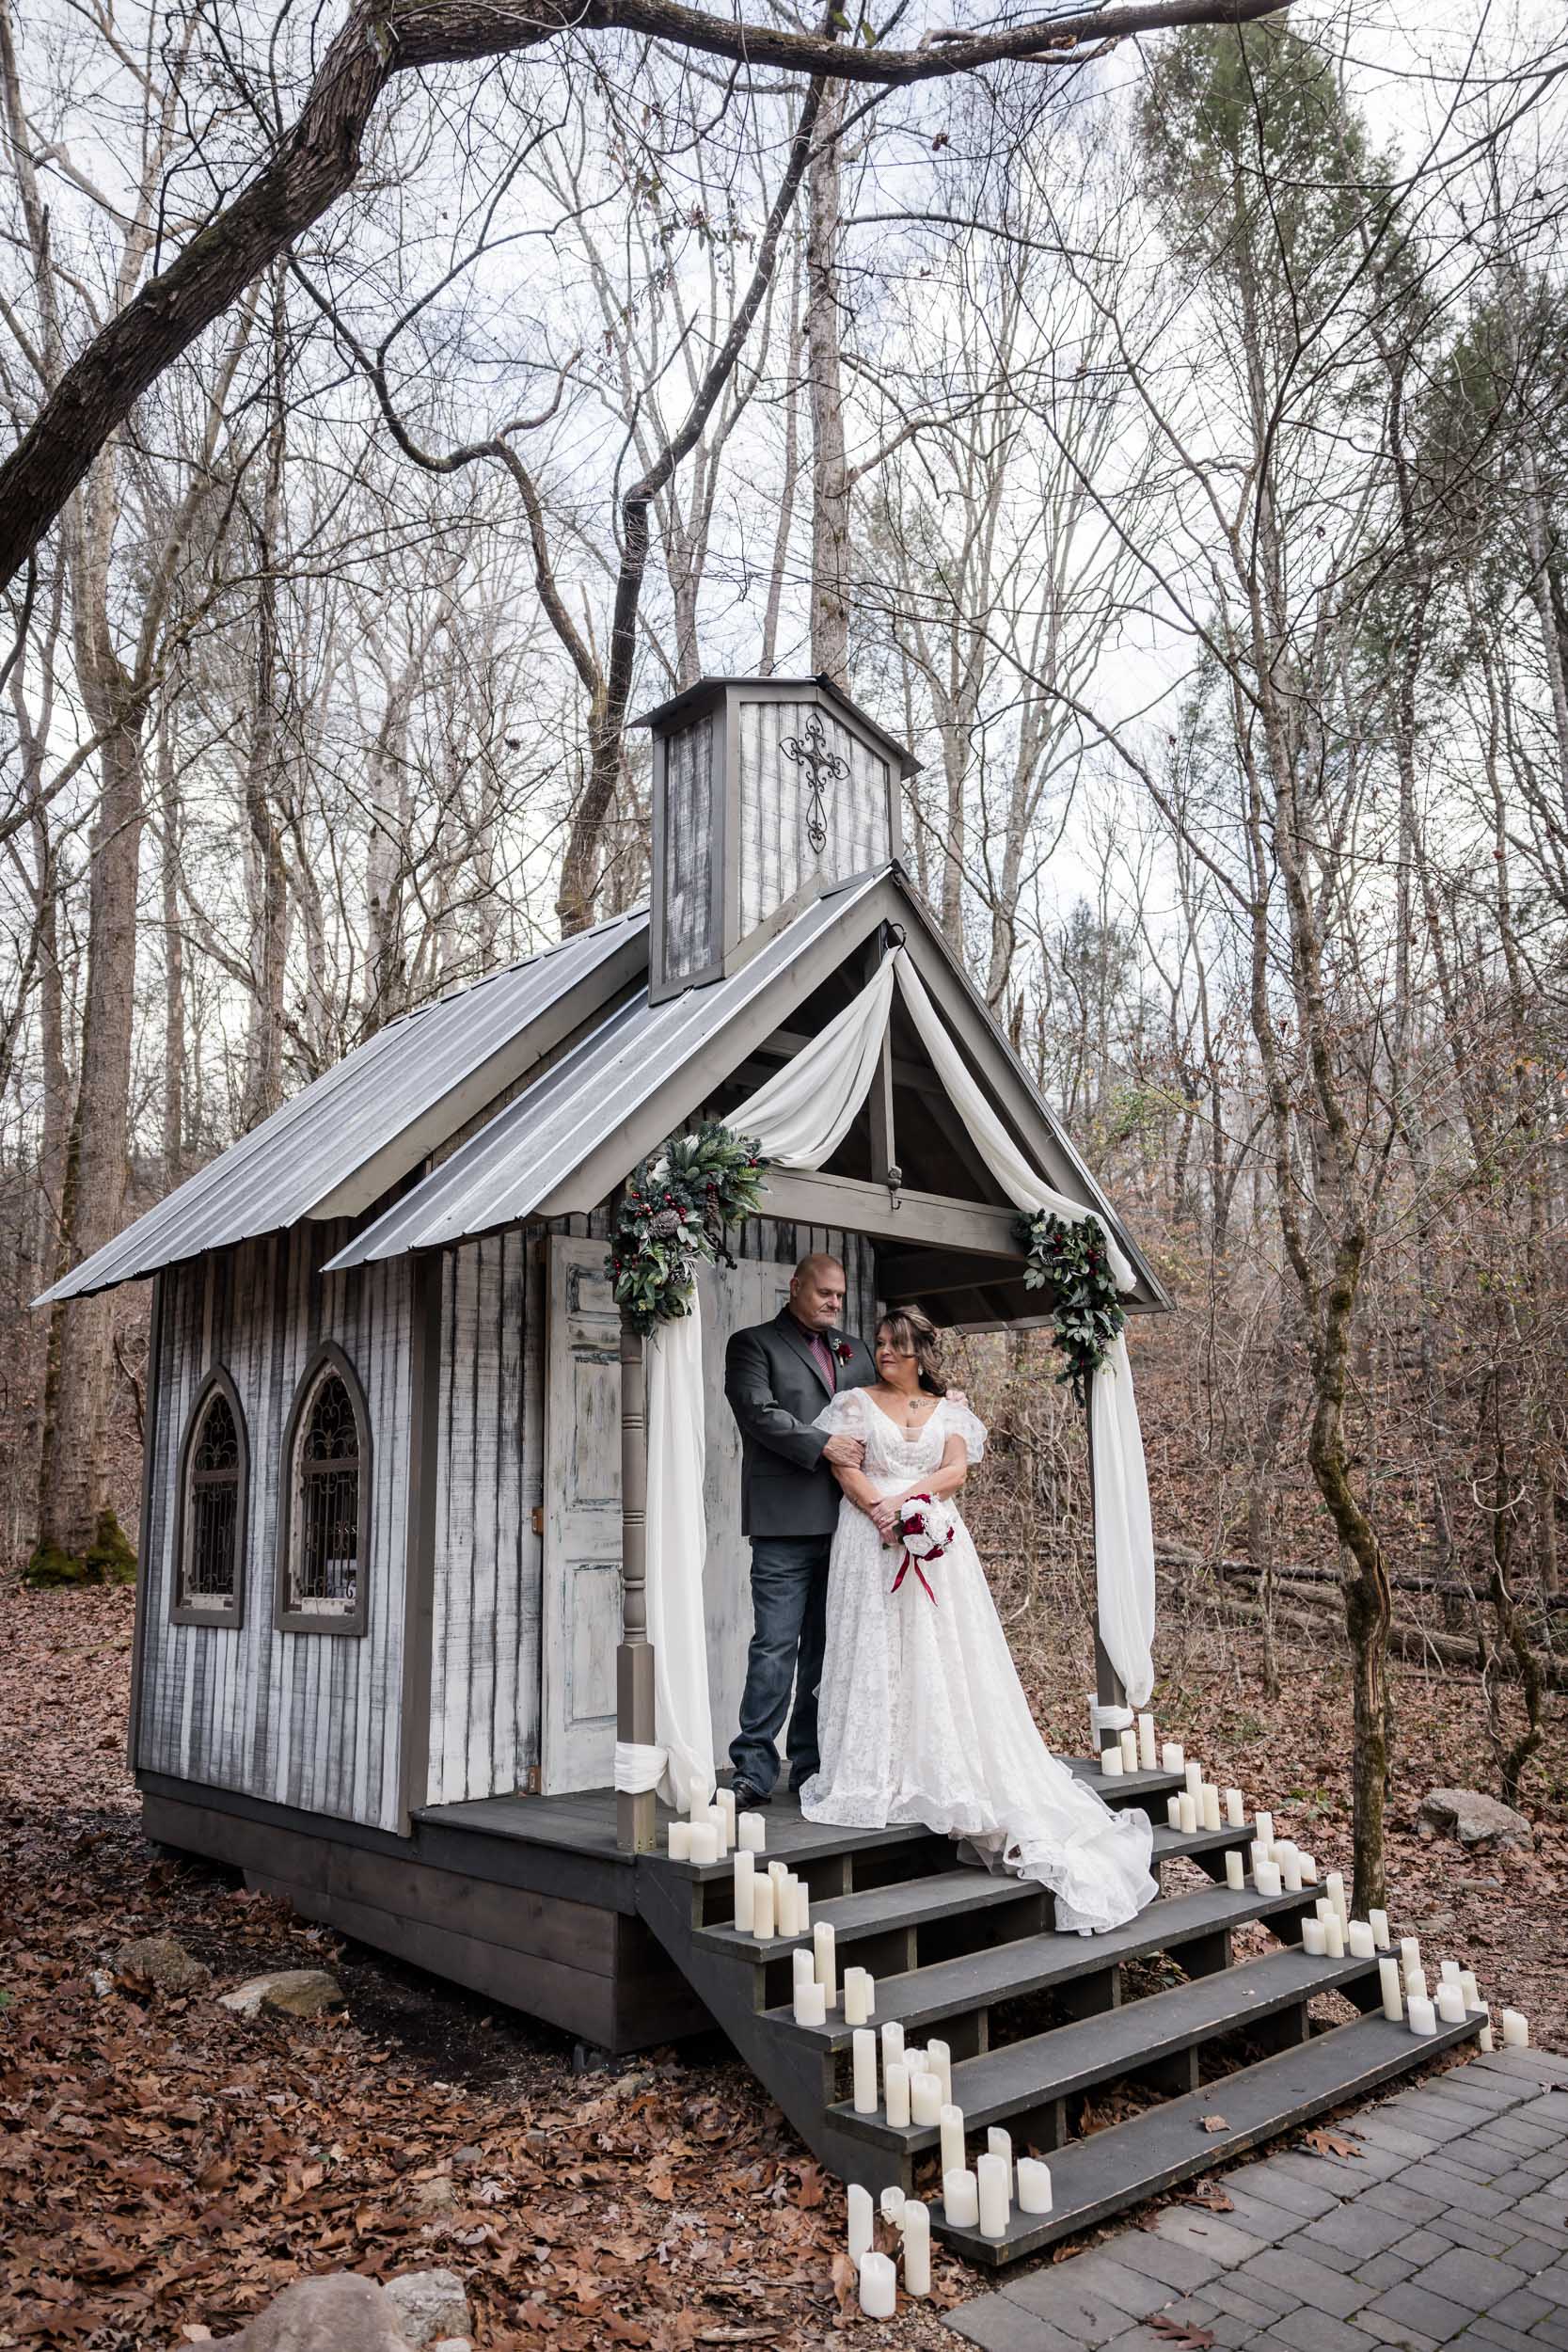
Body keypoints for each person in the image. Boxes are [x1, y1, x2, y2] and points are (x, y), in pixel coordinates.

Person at [799, 1304, 1156, 1935]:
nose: (883, 1352)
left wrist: (906, 1506)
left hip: (937, 1540)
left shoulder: (950, 1409)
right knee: (873, 1647)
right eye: (879, 1343)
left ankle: (941, 1758)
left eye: (897, 1344)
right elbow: (844, 1464)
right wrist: (879, 1511)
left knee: (942, 1651)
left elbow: (955, 1471)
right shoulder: (853, 1402)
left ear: (920, 1353)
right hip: (865, 1539)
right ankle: (871, 1768)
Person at [724, 1253, 877, 1811]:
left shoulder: (856, 1350)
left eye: (840, 1295)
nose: (835, 1303)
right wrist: (823, 1443)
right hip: (784, 1525)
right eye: (824, 1293)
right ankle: (754, 1769)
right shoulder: (752, 1344)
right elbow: (757, 1412)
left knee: (826, 1652)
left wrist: (940, 1400)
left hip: (849, 1527)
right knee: (775, 1646)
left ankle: (810, 1764)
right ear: (795, 1287)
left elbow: (886, 1404)